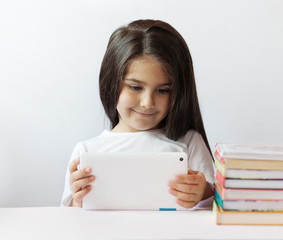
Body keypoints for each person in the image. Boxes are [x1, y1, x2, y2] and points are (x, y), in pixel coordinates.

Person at [61, 19, 215, 209]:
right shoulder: (86, 152)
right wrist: (78, 200)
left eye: (163, 90)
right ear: (110, 83)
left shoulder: (189, 142)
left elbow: (213, 211)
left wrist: (204, 193)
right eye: (135, 87)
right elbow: (71, 223)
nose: (147, 103)